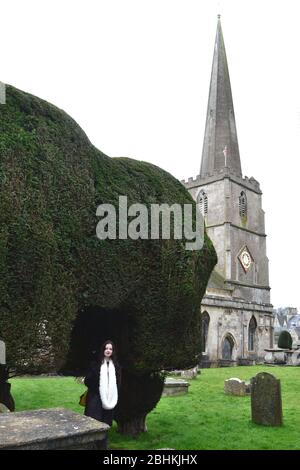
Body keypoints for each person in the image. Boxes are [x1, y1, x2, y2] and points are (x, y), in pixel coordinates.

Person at [84, 340, 121, 432]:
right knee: (94, 422)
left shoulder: (116, 366)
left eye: (110, 349)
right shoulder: (95, 364)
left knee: (106, 424)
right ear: (102, 350)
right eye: (106, 348)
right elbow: (88, 381)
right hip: (96, 397)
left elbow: (118, 383)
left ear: (113, 351)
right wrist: (99, 389)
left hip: (109, 398)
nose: (108, 350)